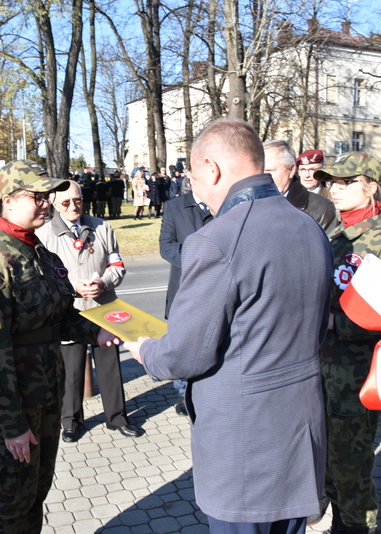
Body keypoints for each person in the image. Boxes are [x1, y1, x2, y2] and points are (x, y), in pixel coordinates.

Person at [125, 118, 332, 533]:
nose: (195, 190)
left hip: (246, 445)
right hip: (301, 432)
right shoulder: (307, 224)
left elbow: (186, 353)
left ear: (212, 168)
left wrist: (145, 349)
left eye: (194, 177)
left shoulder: (217, 238)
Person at [0, 160, 118, 533]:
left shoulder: (40, 254)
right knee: (10, 502)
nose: (47, 203)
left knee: (35, 494)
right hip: (10, 408)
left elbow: (61, 315)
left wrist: (94, 331)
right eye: (38, 196)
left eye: (48, 195)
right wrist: (12, 425)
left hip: (45, 397)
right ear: (8, 201)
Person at [313, 152, 381, 534]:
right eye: (332, 181)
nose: (335, 188)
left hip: (356, 376)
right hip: (325, 367)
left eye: (346, 181)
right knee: (330, 468)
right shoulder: (339, 235)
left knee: (352, 472)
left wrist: (333, 320)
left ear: (370, 187)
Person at [36, 180, 142, 442]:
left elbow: (116, 264)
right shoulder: (44, 234)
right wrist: (74, 287)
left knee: (109, 366)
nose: (73, 206)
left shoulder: (102, 227)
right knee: (70, 369)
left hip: (103, 308)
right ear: (53, 203)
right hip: (68, 311)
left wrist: (102, 282)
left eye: (78, 200)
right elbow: (44, 277)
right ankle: (70, 421)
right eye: (66, 202)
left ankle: (117, 418)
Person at [158, 183, 213, 416]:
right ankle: (183, 394)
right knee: (182, 344)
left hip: (215, 290)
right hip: (184, 288)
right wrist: (198, 260)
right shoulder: (174, 206)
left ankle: (208, 393)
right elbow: (166, 245)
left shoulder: (223, 203)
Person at [264, 140, 338, 235]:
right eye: (259, 171)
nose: (263, 177)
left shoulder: (322, 209)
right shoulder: (248, 203)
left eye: (270, 171)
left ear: (291, 169)